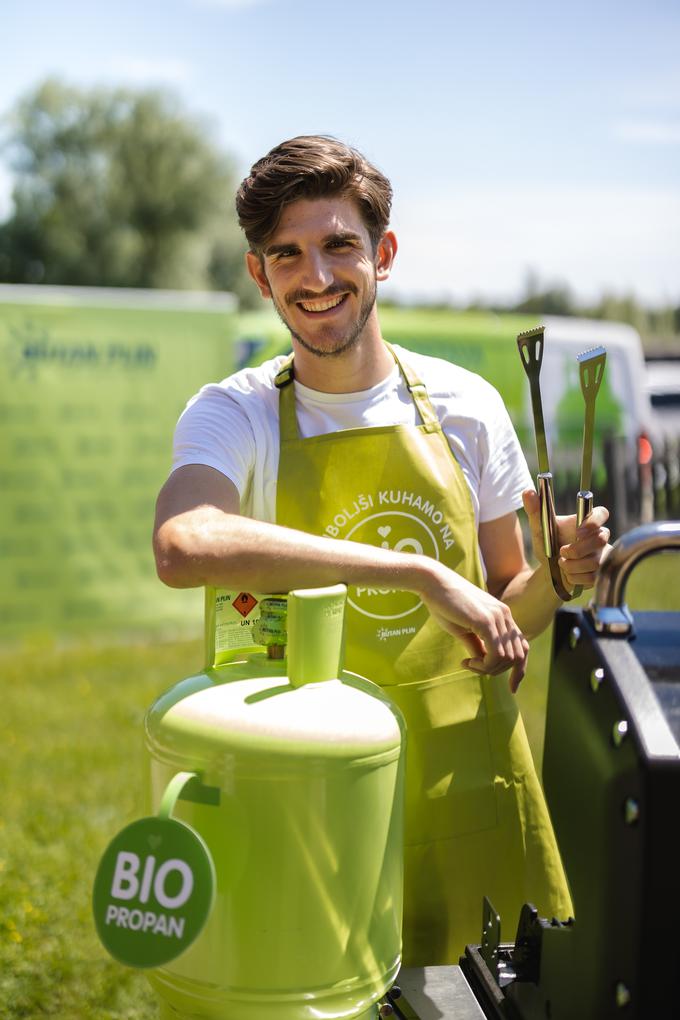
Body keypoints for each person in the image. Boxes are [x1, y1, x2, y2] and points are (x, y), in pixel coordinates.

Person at [153, 135, 610, 966]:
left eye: (338, 245)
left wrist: (555, 577)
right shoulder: (237, 412)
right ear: (260, 275)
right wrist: (420, 571)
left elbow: (504, 615)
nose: (316, 277)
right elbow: (186, 545)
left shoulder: (467, 406)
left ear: (383, 253)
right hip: (305, 797)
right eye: (287, 254)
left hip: (466, 794)